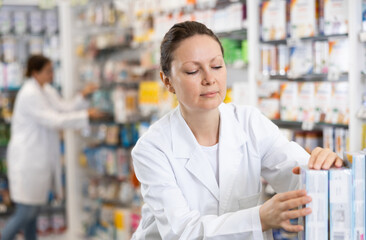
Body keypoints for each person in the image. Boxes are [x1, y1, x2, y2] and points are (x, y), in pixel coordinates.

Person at [131, 21, 343, 240]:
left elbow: (298, 178)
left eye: (216, 66)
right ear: (168, 81)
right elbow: (182, 232)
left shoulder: (249, 122)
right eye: (193, 70)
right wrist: (259, 218)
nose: (209, 79)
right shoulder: (152, 149)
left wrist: (325, 171)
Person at [2, 55, 104, 240]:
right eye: (48, 71)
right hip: (27, 161)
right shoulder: (29, 94)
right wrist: (85, 115)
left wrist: (83, 96)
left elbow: (63, 108)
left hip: (37, 161)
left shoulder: (45, 90)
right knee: (26, 212)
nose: (52, 74)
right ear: (35, 73)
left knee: (32, 215)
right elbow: (53, 120)